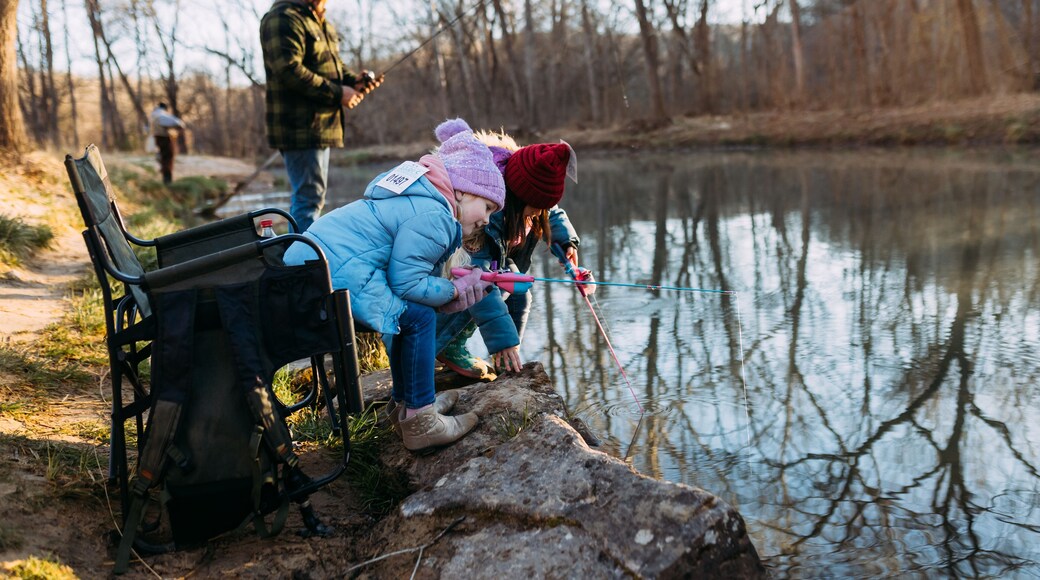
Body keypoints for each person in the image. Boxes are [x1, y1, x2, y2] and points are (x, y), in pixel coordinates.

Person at [282, 118, 503, 452]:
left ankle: (407, 406)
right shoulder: (436, 215)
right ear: (461, 190)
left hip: (311, 273)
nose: (487, 219)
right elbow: (408, 284)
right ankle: (421, 420)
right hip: (326, 280)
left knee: (410, 315)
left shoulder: (420, 199)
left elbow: (404, 275)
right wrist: (455, 291)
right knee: (418, 318)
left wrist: (447, 288)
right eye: (486, 206)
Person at [435, 132, 582, 378]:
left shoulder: (523, 181)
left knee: (520, 294)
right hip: (451, 273)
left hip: (490, 263)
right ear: (519, 197)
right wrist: (502, 340)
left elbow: (551, 211)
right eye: (535, 209)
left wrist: (566, 242)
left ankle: (507, 360)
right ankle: (450, 344)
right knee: (492, 289)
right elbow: (476, 278)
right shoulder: (483, 212)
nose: (538, 215)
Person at [260, 0, 381, 232]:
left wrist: (353, 81)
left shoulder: (318, 19)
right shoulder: (283, 17)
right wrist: (338, 93)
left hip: (320, 126)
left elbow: (332, 65)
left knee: (312, 197)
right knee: (309, 198)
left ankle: (304, 250)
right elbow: (289, 69)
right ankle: (304, 253)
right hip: (299, 127)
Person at [149, 103, 187, 184]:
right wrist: (179, 127)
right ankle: (167, 180)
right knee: (168, 158)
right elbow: (178, 123)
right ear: (165, 108)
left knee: (163, 157)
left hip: (157, 138)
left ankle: (165, 177)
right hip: (165, 138)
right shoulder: (162, 115)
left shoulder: (153, 115)